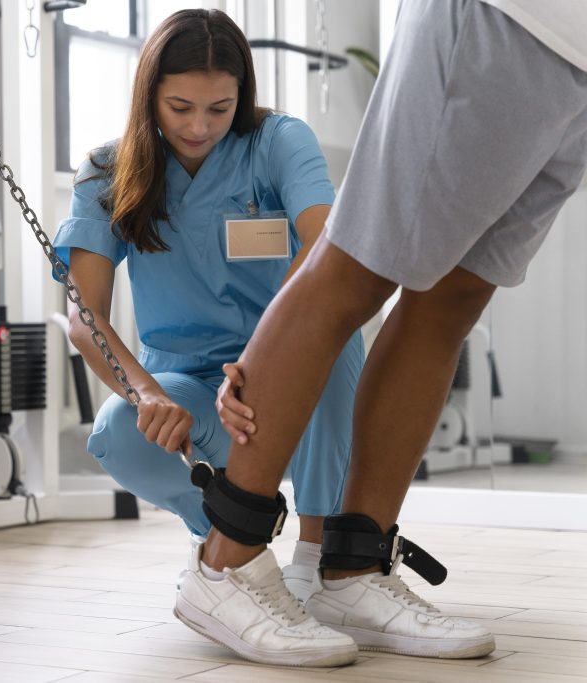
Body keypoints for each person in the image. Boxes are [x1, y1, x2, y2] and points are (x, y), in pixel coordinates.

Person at [202, 0, 587, 665]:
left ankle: (354, 569)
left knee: (451, 301)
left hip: (577, 59)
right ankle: (225, 564)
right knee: (357, 270)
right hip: (507, 19)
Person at [56, 9, 364, 667]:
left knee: (336, 332)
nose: (199, 127)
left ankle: (316, 556)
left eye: (219, 108)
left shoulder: (277, 141)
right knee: (118, 432)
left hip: (291, 363)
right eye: (180, 107)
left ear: (241, 97)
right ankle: (233, 552)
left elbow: (328, 250)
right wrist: (144, 393)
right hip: (191, 381)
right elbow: (86, 316)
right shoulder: (107, 171)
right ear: (149, 97)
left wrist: (262, 362)